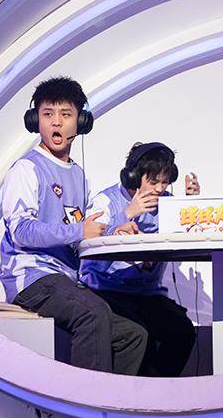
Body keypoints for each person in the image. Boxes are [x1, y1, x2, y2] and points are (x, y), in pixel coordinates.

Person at [0, 77, 147, 373]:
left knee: (133, 335)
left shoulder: (79, 175)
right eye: (48, 114)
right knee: (93, 313)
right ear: (35, 120)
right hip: (32, 277)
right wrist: (79, 231)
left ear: (80, 122)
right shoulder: (26, 169)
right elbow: (22, 231)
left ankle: (112, 399)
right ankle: (87, 398)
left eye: (65, 114)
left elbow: (85, 230)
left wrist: (114, 230)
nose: (56, 122)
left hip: (65, 281)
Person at [79, 142, 198, 376]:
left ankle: (156, 388)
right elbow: (90, 258)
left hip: (146, 294)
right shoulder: (106, 202)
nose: (159, 189)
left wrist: (192, 206)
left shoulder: (169, 203)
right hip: (106, 290)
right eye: (153, 182)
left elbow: (192, 233)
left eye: (165, 182)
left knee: (182, 331)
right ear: (132, 177)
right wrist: (127, 214)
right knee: (139, 333)